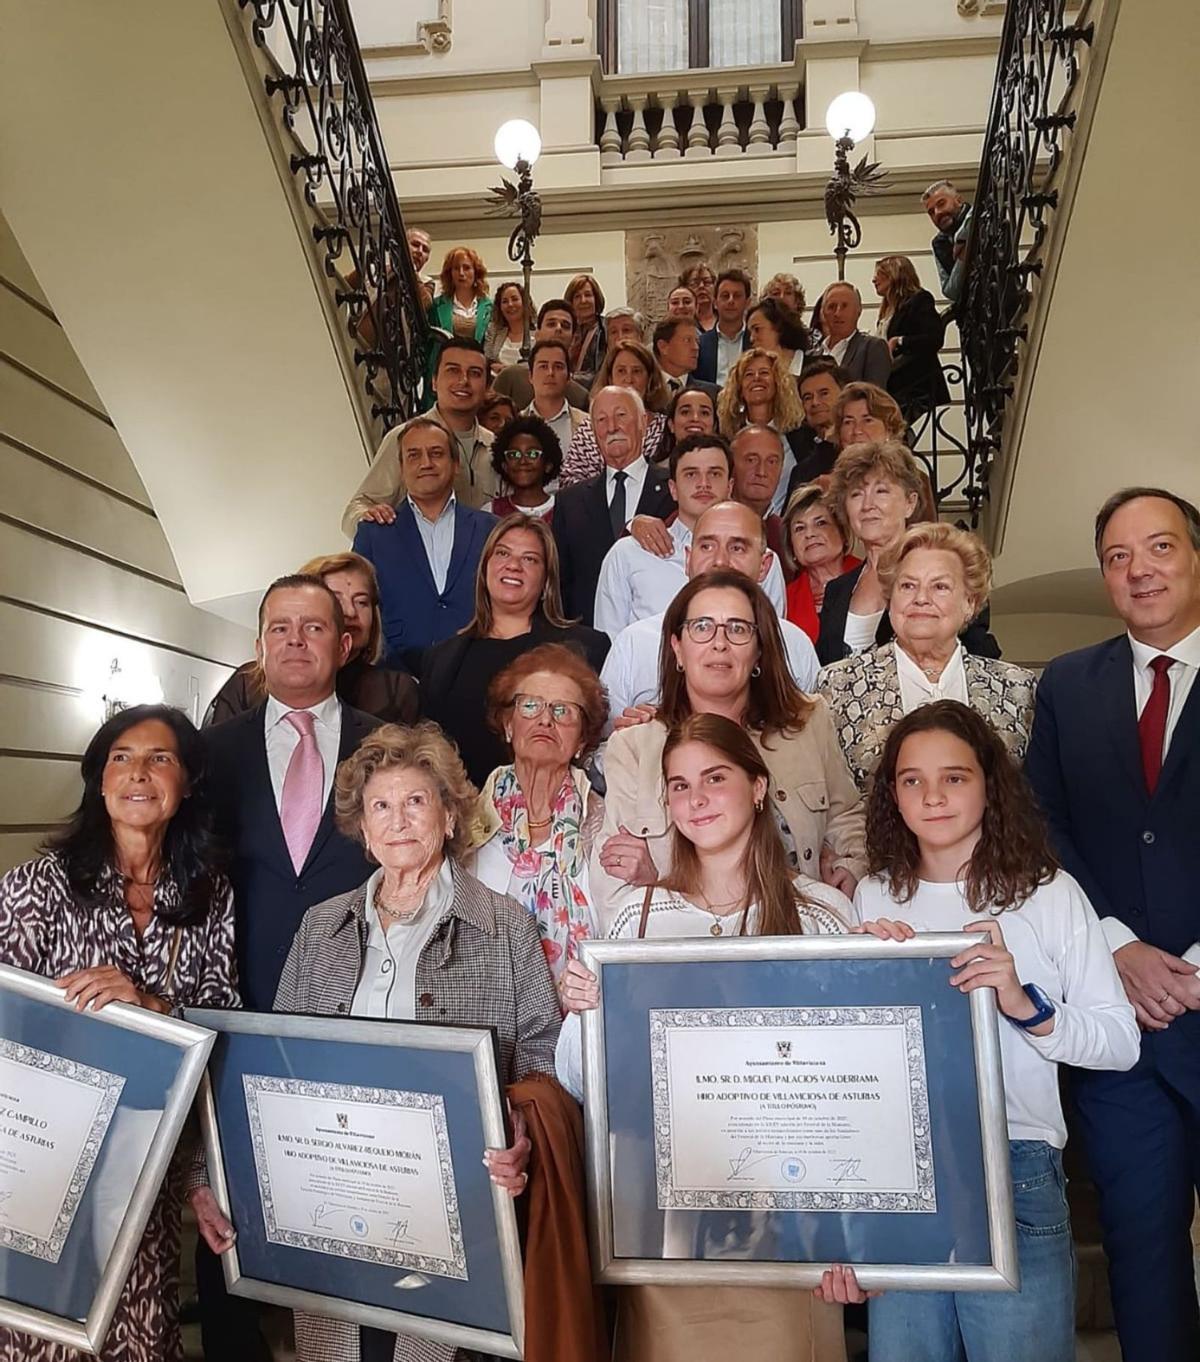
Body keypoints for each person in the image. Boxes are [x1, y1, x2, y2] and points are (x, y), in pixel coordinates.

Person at [199, 722, 561, 1362]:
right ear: (363, 831)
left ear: (448, 816)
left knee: (439, 1346)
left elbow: (541, 1051)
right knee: (345, 1345)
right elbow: (275, 1066)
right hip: (333, 1192)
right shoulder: (320, 927)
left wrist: (522, 1126)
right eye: (381, 807)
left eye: (416, 801)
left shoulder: (505, 924)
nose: (399, 821)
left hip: (458, 1204)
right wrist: (225, 1178)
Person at [556, 712, 858, 1362]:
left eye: (715, 779)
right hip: (664, 1228)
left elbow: (859, 1086)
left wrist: (861, 1233)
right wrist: (584, 1013)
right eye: (679, 785)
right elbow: (584, 1082)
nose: (696, 799)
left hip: (792, 1226)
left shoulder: (823, 915)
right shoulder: (634, 916)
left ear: (757, 786)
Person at [856, 701, 1138, 1362]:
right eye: (912, 780)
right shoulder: (873, 896)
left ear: (989, 783)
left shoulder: (1048, 894)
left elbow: (1120, 1042)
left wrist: (1023, 1002)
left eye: (953, 777)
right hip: (901, 1172)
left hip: (1015, 1159)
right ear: (892, 793)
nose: (933, 796)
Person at [0, 705, 238, 1362]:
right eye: (121, 758)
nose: (139, 773)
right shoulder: (39, 886)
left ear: (186, 782)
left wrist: (153, 1006)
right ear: (99, 780)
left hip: (146, 1160)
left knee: (137, 1324)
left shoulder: (209, 894)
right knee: (38, 1331)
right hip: (42, 1156)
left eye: (161, 758)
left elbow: (221, 1021)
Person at [1024, 487, 1200, 1362]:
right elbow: (1043, 825)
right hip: (1122, 1028)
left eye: (1159, 547)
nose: (1139, 571)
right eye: (1118, 557)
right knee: (1142, 1250)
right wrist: (1118, 945)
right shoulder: (1067, 683)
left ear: (1195, 558)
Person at [199, 574, 379, 1355]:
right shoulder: (210, 753)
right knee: (227, 1215)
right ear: (259, 645)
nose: (296, 641)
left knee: (348, 1204)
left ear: (345, 643)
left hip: (357, 1015)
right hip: (235, 1007)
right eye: (280, 628)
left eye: (314, 627)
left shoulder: (388, 745)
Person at [594, 568, 865, 912]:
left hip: (799, 928)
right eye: (702, 627)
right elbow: (614, 881)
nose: (719, 643)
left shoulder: (808, 723)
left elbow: (846, 815)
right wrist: (664, 891)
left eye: (738, 629)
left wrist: (851, 866)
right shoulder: (634, 747)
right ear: (677, 648)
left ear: (759, 650)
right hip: (685, 940)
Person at [819, 522, 1036, 790]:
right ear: (890, 598)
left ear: (970, 603)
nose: (921, 598)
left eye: (940, 586)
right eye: (908, 586)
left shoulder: (1017, 688)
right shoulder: (838, 684)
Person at [420, 514, 608, 785]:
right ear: (484, 569)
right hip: (465, 807)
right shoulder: (440, 660)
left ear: (546, 580)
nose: (513, 565)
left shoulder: (586, 649)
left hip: (553, 805)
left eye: (529, 559)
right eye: (502, 553)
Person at [600, 501, 818, 722]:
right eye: (707, 547)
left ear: (764, 565)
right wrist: (632, 735)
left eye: (737, 548)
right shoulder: (634, 643)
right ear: (688, 559)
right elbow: (601, 738)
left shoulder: (795, 644)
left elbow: (814, 734)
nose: (720, 561)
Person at [466, 643, 609, 980]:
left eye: (563, 711)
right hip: (483, 998)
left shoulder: (605, 824)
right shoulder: (464, 825)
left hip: (582, 1001)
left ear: (582, 741)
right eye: (530, 706)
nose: (545, 719)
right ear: (508, 725)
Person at [817, 440, 998, 665]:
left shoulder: (947, 574)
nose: (867, 505)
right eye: (856, 494)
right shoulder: (836, 591)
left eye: (881, 491)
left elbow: (979, 657)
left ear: (910, 503)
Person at [205, 551, 419, 727]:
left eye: (362, 602)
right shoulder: (247, 684)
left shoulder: (396, 690)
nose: (350, 612)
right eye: (336, 600)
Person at [352, 417, 496, 667]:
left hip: (478, 667)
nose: (426, 463)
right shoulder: (373, 532)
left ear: (456, 464)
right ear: (401, 468)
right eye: (414, 455)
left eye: (436, 453)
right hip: (397, 673)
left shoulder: (490, 528)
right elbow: (356, 603)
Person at [341, 342, 496, 533]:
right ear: (434, 382)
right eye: (453, 370)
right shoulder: (405, 438)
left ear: (487, 387)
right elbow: (355, 511)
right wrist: (372, 522)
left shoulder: (495, 446)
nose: (463, 380)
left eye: (475, 373)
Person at [552, 387, 674, 624]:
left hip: (657, 635)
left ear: (643, 422)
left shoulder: (674, 490)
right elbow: (561, 584)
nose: (612, 427)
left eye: (621, 415)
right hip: (588, 637)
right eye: (601, 420)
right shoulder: (569, 501)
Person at [594, 433, 734, 637]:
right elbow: (609, 641)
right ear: (673, 489)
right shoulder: (628, 554)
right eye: (691, 474)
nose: (703, 483)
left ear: (730, 487)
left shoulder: (759, 559)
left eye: (714, 474)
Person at [560, 341, 671, 485]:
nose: (629, 379)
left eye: (636, 371)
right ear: (610, 378)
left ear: (649, 379)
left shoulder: (665, 429)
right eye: (621, 371)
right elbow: (568, 480)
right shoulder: (588, 429)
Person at [717, 349, 805, 517]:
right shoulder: (726, 438)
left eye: (764, 373)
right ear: (740, 388)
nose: (756, 378)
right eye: (749, 375)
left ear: (777, 382)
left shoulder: (800, 436)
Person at [871, 254, 949, 421]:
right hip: (893, 385)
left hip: (913, 385)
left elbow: (934, 338)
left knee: (894, 427)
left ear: (894, 274)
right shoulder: (887, 310)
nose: (874, 279)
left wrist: (899, 341)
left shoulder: (920, 300)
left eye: (879, 274)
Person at [783, 482, 861, 642]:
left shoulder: (867, 576)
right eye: (799, 528)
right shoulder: (786, 599)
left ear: (843, 533)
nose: (810, 534)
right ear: (792, 547)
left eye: (820, 523)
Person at [493, 299, 590, 410]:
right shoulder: (510, 377)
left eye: (565, 326)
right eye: (551, 324)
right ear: (537, 334)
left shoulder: (580, 397)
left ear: (574, 339)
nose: (558, 328)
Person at [784, 359, 850, 494]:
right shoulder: (801, 472)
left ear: (845, 395)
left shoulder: (867, 453)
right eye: (807, 397)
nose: (815, 402)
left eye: (824, 393)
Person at [814, 282, 891, 386]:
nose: (837, 313)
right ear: (823, 312)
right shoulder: (813, 354)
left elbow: (874, 392)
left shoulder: (872, 348)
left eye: (844, 306)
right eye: (831, 307)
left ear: (858, 311)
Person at [730, 424, 790, 559]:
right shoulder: (706, 522)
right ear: (731, 464)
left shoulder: (786, 535)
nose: (761, 472)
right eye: (751, 460)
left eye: (772, 462)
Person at [486, 413, 561, 521]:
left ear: (548, 465)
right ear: (505, 466)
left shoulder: (564, 510)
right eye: (514, 454)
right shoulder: (490, 512)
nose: (523, 461)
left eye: (532, 454)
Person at [524, 337, 589, 453]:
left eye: (558, 367)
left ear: (569, 377)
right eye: (543, 366)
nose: (550, 373)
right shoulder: (515, 424)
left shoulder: (588, 425)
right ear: (530, 376)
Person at [695, 267, 752, 386]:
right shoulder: (700, 344)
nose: (731, 301)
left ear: (747, 303)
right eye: (725, 296)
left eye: (737, 296)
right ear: (715, 302)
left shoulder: (756, 342)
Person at [426, 244, 492, 343]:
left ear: (476, 272)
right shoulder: (436, 305)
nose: (461, 273)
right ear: (450, 273)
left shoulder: (490, 307)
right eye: (456, 268)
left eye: (466, 268)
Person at [923, 178, 973, 305]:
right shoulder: (938, 244)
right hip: (973, 311)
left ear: (959, 200)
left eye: (941, 204)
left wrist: (960, 238)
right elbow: (950, 291)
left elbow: (974, 216)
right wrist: (962, 258)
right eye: (931, 212)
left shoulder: (979, 215)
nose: (937, 213)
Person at [653, 316, 719, 401]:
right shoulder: (644, 390)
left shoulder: (713, 394)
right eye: (687, 340)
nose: (696, 347)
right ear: (663, 346)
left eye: (697, 341)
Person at [746, 295, 811, 375]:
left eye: (757, 329)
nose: (751, 338)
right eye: (750, 332)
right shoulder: (757, 372)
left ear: (778, 326)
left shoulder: (814, 367)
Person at [564, 272, 607, 389]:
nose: (583, 300)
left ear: (596, 299)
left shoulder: (605, 330)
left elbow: (601, 373)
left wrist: (566, 378)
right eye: (577, 296)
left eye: (588, 295)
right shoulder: (566, 330)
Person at [483, 279, 533, 375]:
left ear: (525, 302)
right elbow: (487, 360)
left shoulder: (538, 332)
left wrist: (508, 370)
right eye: (505, 301)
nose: (510, 304)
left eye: (515, 299)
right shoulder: (494, 331)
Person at [680, 262, 718, 332]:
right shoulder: (681, 323)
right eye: (695, 283)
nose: (701, 286)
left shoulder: (726, 319)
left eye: (707, 282)